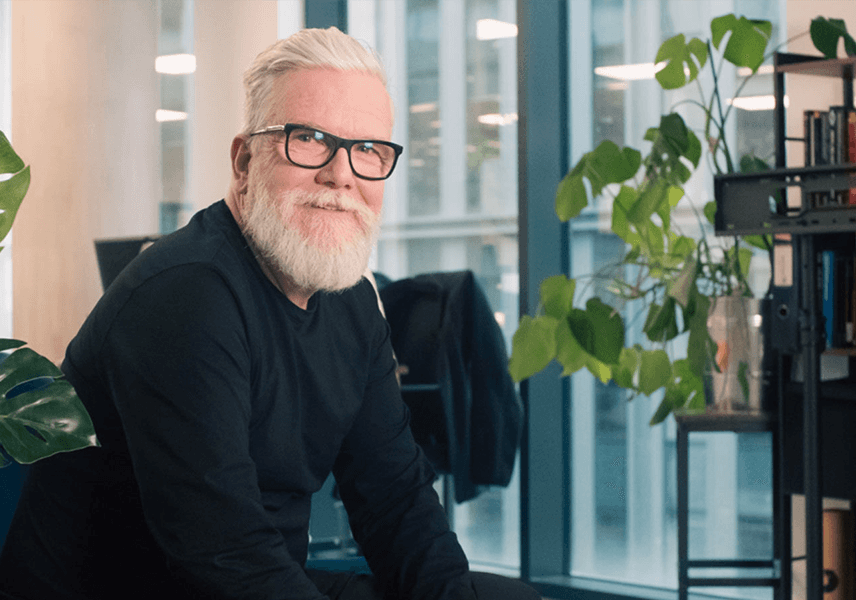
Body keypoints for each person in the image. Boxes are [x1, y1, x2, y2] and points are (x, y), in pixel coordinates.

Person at [0, 27, 540, 600]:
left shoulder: (351, 301)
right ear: (243, 160)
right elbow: (220, 549)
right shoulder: (186, 296)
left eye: (368, 150)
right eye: (308, 139)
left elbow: (395, 497)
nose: (342, 174)